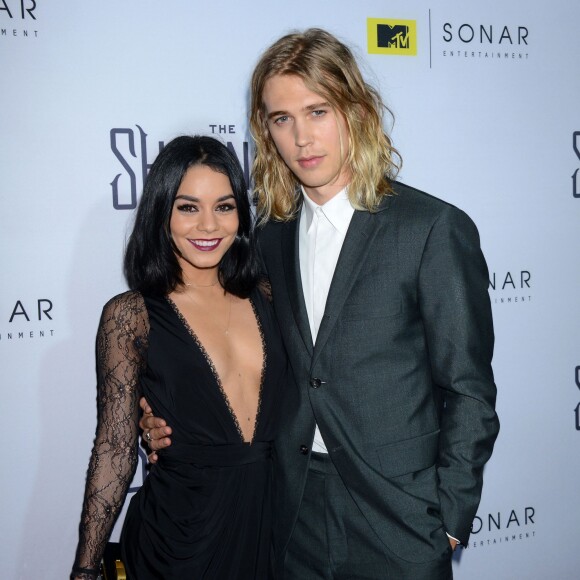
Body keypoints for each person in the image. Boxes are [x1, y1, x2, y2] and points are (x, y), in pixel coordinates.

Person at [142, 29, 500, 579]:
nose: (302, 138)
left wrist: (448, 517)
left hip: (398, 517)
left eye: (317, 111)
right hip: (290, 511)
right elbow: (223, 343)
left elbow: (469, 389)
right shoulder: (267, 241)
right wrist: (158, 415)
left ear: (355, 110)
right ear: (267, 130)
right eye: (281, 118)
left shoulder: (430, 229)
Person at [71, 135, 286, 580]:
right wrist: (86, 569)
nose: (208, 225)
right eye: (188, 207)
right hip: (178, 537)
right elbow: (113, 449)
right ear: (161, 212)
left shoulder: (271, 295)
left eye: (224, 207)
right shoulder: (131, 316)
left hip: (277, 528)